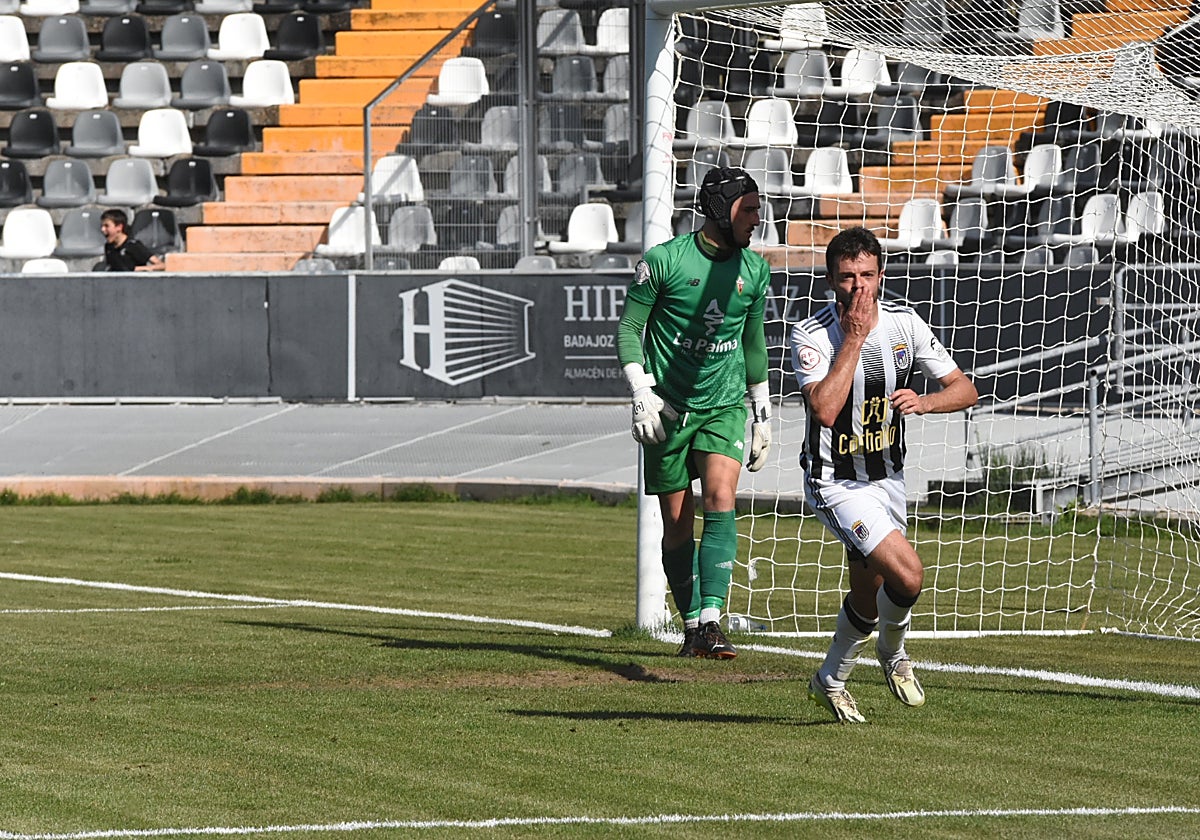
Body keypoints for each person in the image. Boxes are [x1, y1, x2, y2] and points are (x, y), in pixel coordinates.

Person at [789, 226, 977, 722]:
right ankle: (893, 654)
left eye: (867, 275)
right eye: (847, 277)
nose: (859, 287)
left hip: (888, 478)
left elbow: (965, 389)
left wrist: (927, 401)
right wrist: (853, 338)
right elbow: (825, 410)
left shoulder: (905, 324)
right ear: (830, 280)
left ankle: (829, 680)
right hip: (835, 481)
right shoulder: (811, 334)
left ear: (881, 275)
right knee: (908, 576)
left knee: (868, 598)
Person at [615, 166, 773, 659]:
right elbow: (629, 329)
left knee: (721, 497)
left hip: (724, 404)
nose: (757, 219)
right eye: (749, 210)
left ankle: (712, 620)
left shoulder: (755, 270)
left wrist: (762, 410)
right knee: (678, 525)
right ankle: (691, 628)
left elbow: (753, 343)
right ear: (720, 210)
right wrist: (641, 391)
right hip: (667, 410)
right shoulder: (663, 262)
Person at [98, 209, 165, 272]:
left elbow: (161, 265)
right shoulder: (109, 247)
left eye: (106, 226)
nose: (102, 229)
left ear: (119, 227)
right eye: (102, 226)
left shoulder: (133, 245)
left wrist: (139, 269)